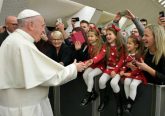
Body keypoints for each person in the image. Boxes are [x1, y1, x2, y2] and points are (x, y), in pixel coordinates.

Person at [0, 9, 86, 116]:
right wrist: (73, 68)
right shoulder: (23, 45)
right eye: (42, 26)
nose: (43, 31)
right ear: (31, 25)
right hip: (26, 109)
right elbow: (50, 77)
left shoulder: (13, 40)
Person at [97, 25, 126, 114]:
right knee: (101, 81)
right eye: (107, 34)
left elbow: (122, 60)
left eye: (110, 34)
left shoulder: (121, 46)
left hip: (118, 70)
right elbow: (101, 55)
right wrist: (92, 60)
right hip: (109, 69)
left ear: (116, 35)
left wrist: (116, 70)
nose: (108, 36)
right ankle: (103, 100)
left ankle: (119, 104)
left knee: (113, 83)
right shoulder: (106, 45)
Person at [120, 35, 146, 112]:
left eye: (130, 43)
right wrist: (123, 70)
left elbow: (140, 69)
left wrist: (130, 74)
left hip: (139, 75)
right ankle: (128, 102)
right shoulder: (129, 55)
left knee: (133, 85)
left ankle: (130, 104)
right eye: (127, 43)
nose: (127, 45)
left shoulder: (139, 55)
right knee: (127, 82)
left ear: (136, 45)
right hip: (131, 74)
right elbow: (125, 64)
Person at [80, 27, 105, 106]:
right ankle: (93, 92)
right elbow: (89, 59)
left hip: (101, 66)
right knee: (84, 75)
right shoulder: (89, 46)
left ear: (97, 37)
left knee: (90, 75)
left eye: (91, 36)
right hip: (93, 64)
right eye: (88, 36)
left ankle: (88, 95)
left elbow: (101, 56)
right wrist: (84, 63)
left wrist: (91, 61)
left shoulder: (103, 46)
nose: (89, 38)